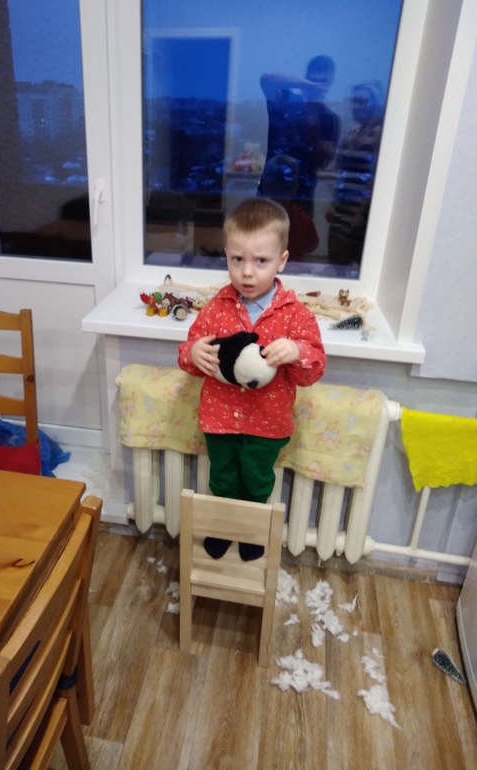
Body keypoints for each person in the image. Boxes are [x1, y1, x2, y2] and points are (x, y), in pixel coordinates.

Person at [178, 197, 326, 561]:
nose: (247, 272)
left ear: (282, 261)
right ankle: (222, 529)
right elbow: (189, 356)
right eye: (237, 259)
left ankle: (250, 534)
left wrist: (296, 351)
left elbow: (314, 369)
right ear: (226, 255)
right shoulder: (215, 309)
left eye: (261, 261)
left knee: (258, 482)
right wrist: (193, 352)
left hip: (267, 425)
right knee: (222, 479)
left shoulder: (295, 316)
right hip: (220, 421)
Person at [259, 55, 340, 217]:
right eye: (313, 80)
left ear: (329, 84)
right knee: (262, 232)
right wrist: (307, 86)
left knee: (299, 233)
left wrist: (314, 134)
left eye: (322, 82)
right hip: (269, 190)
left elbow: (323, 162)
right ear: (305, 78)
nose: (317, 86)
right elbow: (266, 79)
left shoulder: (330, 117)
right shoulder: (286, 100)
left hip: (302, 195)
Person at [326, 82, 384, 265]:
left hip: (361, 210)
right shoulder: (352, 132)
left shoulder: (380, 133)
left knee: (358, 261)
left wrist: (361, 212)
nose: (355, 106)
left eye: (361, 102)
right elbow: (342, 172)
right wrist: (333, 203)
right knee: (336, 258)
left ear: (374, 104)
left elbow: (375, 177)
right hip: (342, 208)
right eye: (353, 101)